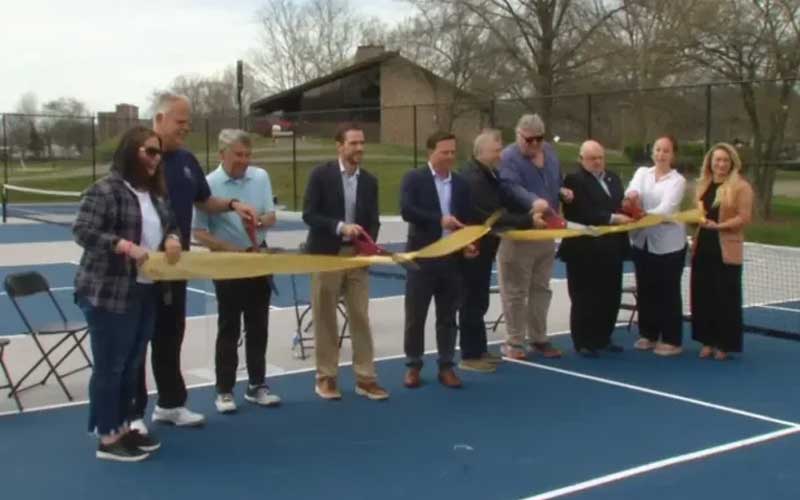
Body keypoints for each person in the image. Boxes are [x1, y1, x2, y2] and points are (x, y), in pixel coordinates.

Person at [131, 93, 257, 432]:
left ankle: (170, 404)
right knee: (137, 341)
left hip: (177, 266)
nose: (186, 127)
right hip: (141, 268)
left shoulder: (187, 160)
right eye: (180, 121)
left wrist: (232, 204)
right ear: (159, 120)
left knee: (171, 335)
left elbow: (203, 200)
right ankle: (132, 416)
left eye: (188, 121)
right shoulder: (140, 157)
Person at [73, 126, 181, 461]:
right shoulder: (105, 190)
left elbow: (170, 224)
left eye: (158, 153)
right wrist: (122, 245)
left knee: (132, 364)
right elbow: (83, 231)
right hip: (108, 292)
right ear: (131, 152)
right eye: (149, 151)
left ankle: (124, 425)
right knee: (111, 365)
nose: (155, 159)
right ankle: (108, 436)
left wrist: (173, 238)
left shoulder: (156, 195)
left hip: (146, 290)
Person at [192, 129, 281, 413]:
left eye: (247, 155)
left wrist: (259, 220)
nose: (244, 161)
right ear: (222, 154)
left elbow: (271, 216)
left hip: (258, 260)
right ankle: (225, 390)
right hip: (227, 265)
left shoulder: (261, 177)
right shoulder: (208, 184)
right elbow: (199, 233)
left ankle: (257, 385)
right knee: (228, 327)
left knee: (259, 326)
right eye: (238, 155)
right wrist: (230, 249)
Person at [301, 122, 389, 401]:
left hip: (357, 258)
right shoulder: (320, 175)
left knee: (360, 317)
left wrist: (368, 245)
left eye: (362, 143)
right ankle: (326, 378)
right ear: (339, 146)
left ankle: (366, 378)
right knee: (325, 317)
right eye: (353, 143)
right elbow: (310, 215)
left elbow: (373, 220)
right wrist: (340, 227)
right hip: (326, 254)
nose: (359, 148)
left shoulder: (370, 181)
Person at [458, 129, 545, 373]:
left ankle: (479, 349)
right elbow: (494, 215)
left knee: (479, 300)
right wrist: (528, 219)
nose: (500, 155)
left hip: (485, 247)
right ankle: (469, 355)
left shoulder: (489, 175)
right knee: (471, 301)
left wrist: (529, 208)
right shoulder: (475, 179)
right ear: (481, 152)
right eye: (496, 150)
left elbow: (505, 200)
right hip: (473, 248)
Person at [401, 131, 475, 389]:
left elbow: (467, 219)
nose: (450, 157)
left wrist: (468, 244)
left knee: (448, 316)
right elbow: (407, 210)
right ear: (430, 152)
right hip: (421, 258)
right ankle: (413, 365)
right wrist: (438, 219)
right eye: (445, 152)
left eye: (453, 152)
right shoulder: (415, 178)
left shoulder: (462, 184)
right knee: (415, 315)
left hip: (451, 260)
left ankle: (446, 365)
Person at [497, 114, 573, 359]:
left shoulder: (549, 153)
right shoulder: (508, 158)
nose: (534, 144)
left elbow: (556, 179)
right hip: (520, 232)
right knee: (515, 290)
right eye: (529, 140)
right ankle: (514, 340)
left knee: (541, 288)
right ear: (518, 135)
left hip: (546, 231)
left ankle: (539, 337)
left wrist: (562, 191)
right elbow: (510, 187)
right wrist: (533, 201)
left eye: (539, 139)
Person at [558, 140, 632, 357]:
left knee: (610, 294)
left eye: (600, 157)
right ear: (581, 159)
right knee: (584, 296)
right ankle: (583, 341)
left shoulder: (613, 178)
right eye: (592, 158)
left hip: (613, 247)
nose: (598, 162)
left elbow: (618, 204)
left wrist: (628, 208)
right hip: (584, 249)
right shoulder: (574, 181)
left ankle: (603, 337)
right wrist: (611, 218)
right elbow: (578, 213)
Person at [625, 136, 688, 356]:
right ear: (652, 152)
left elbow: (666, 209)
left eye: (666, 151)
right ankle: (648, 334)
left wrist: (642, 213)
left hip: (669, 246)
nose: (661, 154)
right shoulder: (642, 173)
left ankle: (672, 340)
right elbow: (632, 191)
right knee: (646, 288)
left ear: (673, 155)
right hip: (642, 242)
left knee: (668, 291)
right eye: (658, 150)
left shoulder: (677, 181)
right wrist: (632, 196)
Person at [691, 143, 753, 360]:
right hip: (703, 248)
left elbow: (744, 217)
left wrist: (719, 226)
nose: (721, 164)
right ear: (710, 162)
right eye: (717, 160)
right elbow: (698, 214)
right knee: (703, 295)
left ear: (732, 163)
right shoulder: (703, 185)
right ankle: (707, 341)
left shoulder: (741, 187)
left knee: (725, 298)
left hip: (726, 249)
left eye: (725, 160)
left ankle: (724, 344)